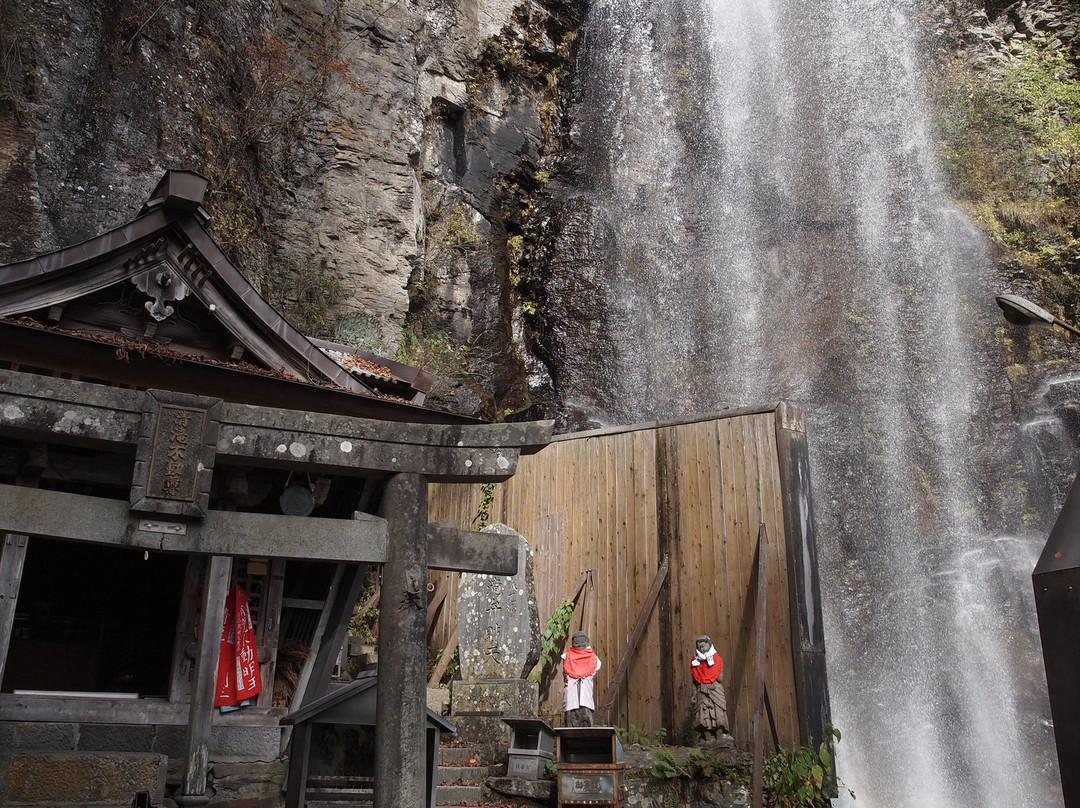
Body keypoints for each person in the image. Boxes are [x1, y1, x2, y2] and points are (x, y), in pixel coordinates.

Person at [690, 634, 728, 744]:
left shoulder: (716, 659)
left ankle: (720, 737)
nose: (702, 649)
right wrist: (693, 695)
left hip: (715, 690)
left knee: (718, 713)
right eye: (699, 647)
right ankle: (707, 738)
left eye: (703, 646)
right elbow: (694, 681)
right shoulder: (695, 662)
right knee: (703, 715)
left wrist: (712, 672)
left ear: (709, 645)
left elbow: (720, 678)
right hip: (701, 691)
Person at [562, 631, 602, 727]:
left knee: (586, 718)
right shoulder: (566, 657)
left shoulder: (593, 659)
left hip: (585, 695)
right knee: (570, 720)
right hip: (572, 696)